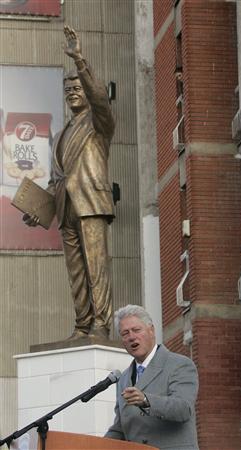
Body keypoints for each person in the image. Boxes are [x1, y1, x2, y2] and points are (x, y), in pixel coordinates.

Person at [24, 26, 115, 340]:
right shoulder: (60, 136)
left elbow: (99, 98)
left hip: (91, 203)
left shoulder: (99, 123)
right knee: (76, 272)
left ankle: (101, 324)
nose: (72, 92)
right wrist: (38, 209)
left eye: (77, 87)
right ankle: (82, 324)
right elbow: (54, 180)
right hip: (65, 208)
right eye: (68, 89)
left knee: (96, 267)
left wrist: (79, 61)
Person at [105, 305, 199, 450]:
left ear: (151, 330)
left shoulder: (179, 364)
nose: (131, 337)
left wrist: (146, 400)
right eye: (125, 333)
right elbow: (120, 428)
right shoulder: (123, 379)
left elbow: (183, 409)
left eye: (136, 330)